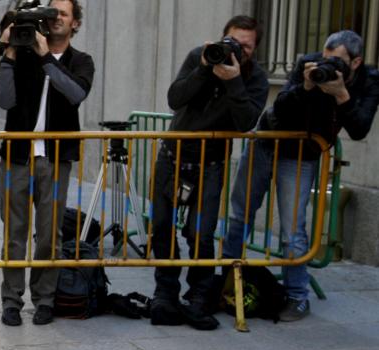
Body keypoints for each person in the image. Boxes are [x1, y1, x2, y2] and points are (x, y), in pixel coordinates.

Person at [224, 30, 379, 321]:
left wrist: (341, 94)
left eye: (337, 62)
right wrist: (306, 86)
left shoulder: (369, 81)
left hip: (302, 155)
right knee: (239, 215)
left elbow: (359, 129)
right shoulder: (308, 64)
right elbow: (282, 106)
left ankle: (297, 296)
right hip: (267, 141)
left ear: (356, 62)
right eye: (325, 57)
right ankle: (225, 282)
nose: (327, 65)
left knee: (293, 229)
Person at [150, 15, 269, 330]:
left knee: (201, 234)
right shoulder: (200, 56)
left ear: (254, 49)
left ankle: (199, 296)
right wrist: (204, 68)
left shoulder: (255, 78)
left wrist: (234, 81)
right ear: (222, 37)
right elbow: (175, 98)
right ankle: (165, 293)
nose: (237, 49)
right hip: (172, 157)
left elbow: (245, 123)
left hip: (211, 164)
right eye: (233, 42)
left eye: (245, 46)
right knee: (161, 226)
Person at [0, 0, 94, 326]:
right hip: (18, 157)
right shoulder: (22, 55)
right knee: (14, 233)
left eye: (63, 13)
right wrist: (8, 49)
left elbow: (75, 93)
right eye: (51, 12)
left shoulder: (81, 61)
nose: (56, 18)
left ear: (75, 23)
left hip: (56, 158)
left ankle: (45, 299)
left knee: (50, 235)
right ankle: (11, 301)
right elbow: (4, 99)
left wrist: (46, 56)